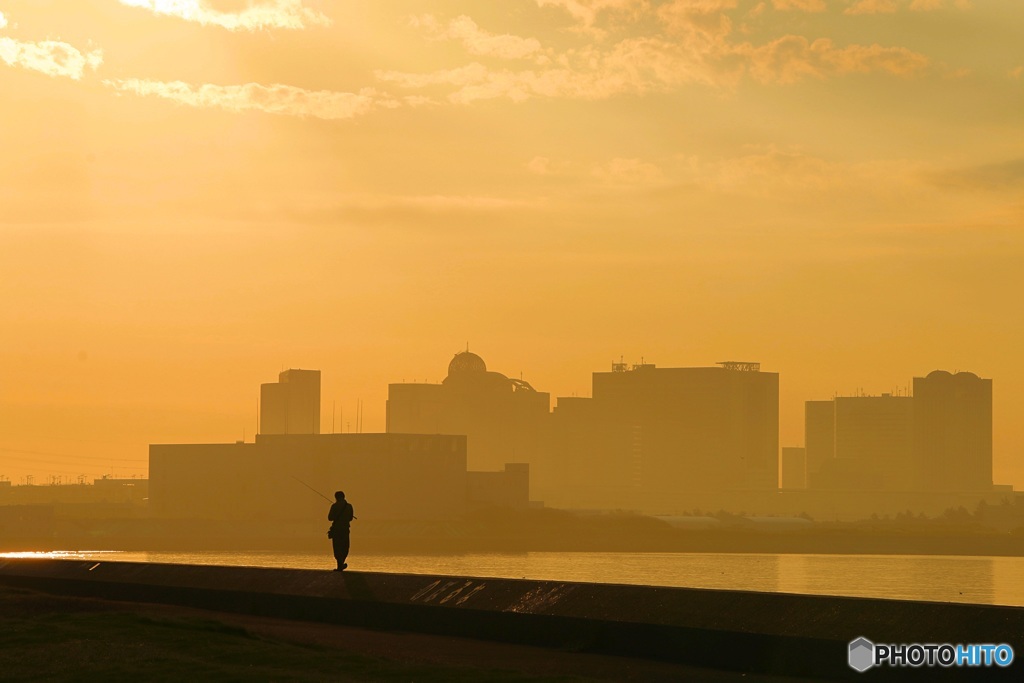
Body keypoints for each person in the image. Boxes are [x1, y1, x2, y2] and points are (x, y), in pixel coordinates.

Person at [327, 490, 355, 571]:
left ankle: (340, 565)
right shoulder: (349, 506)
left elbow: (330, 518)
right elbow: (350, 518)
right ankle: (341, 564)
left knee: (337, 547)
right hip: (345, 529)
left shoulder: (334, 506)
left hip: (336, 530)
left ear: (336, 497)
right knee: (345, 546)